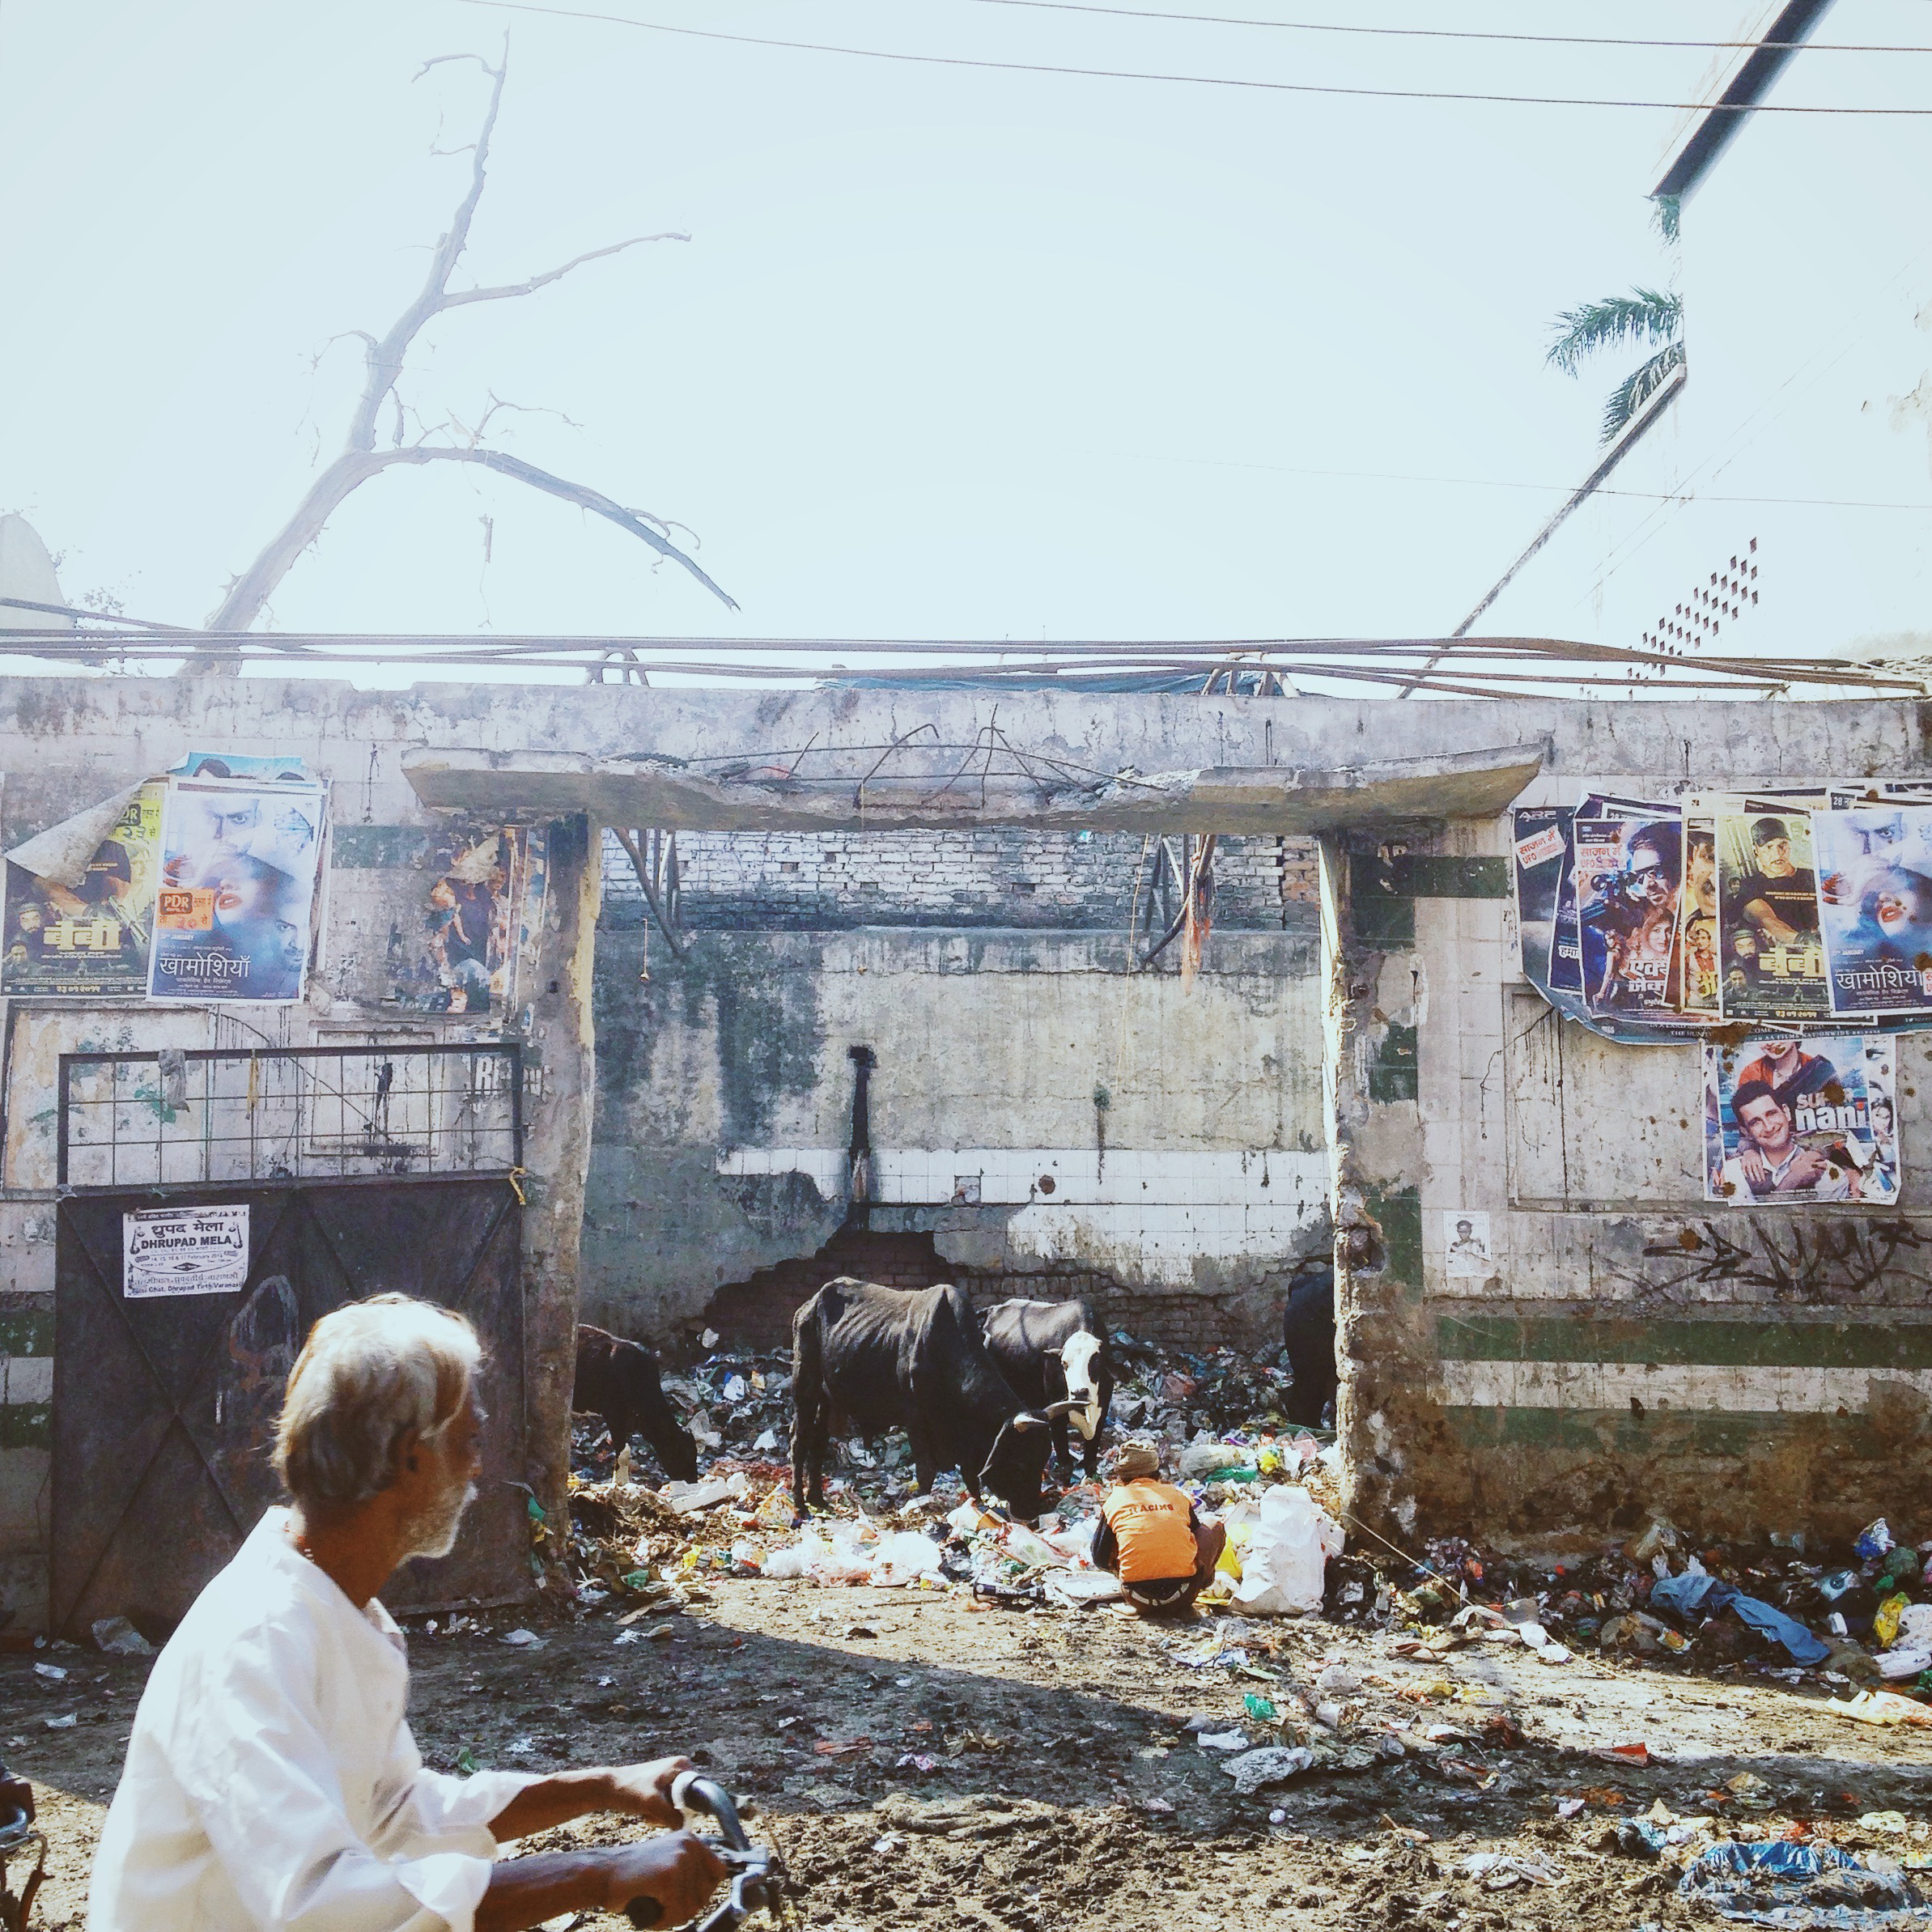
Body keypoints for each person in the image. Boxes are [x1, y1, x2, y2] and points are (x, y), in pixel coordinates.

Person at [88, 1295, 728, 1932]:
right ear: (409, 1456)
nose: (478, 1466)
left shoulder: (336, 1608)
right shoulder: (257, 1639)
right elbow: (322, 1901)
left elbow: (395, 1810)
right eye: (469, 1440)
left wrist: (602, 1787)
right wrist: (598, 1873)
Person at [1090, 1442, 1225, 1615]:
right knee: (1215, 1526)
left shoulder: (1114, 1501)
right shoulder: (1175, 1494)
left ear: (1120, 1476)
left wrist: (1124, 1567)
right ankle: (1202, 1582)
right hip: (1184, 1595)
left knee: (1118, 1537)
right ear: (1156, 1472)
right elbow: (1197, 1534)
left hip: (1137, 1598)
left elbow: (1099, 1558)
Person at [1721, 1078, 1858, 1202]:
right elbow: (1749, 1226)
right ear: (1746, 1132)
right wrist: (1792, 1180)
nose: (1769, 1127)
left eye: (1772, 1114)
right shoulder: (1733, 1171)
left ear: (1786, 1112)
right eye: (1755, 1122)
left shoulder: (1828, 1173)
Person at [1727, 817, 1819, 947]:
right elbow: (1766, 919)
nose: (1778, 853)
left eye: (1783, 845)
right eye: (1769, 846)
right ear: (1756, 852)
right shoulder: (1751, 886)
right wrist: (1803, 940)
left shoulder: (1811, 876)